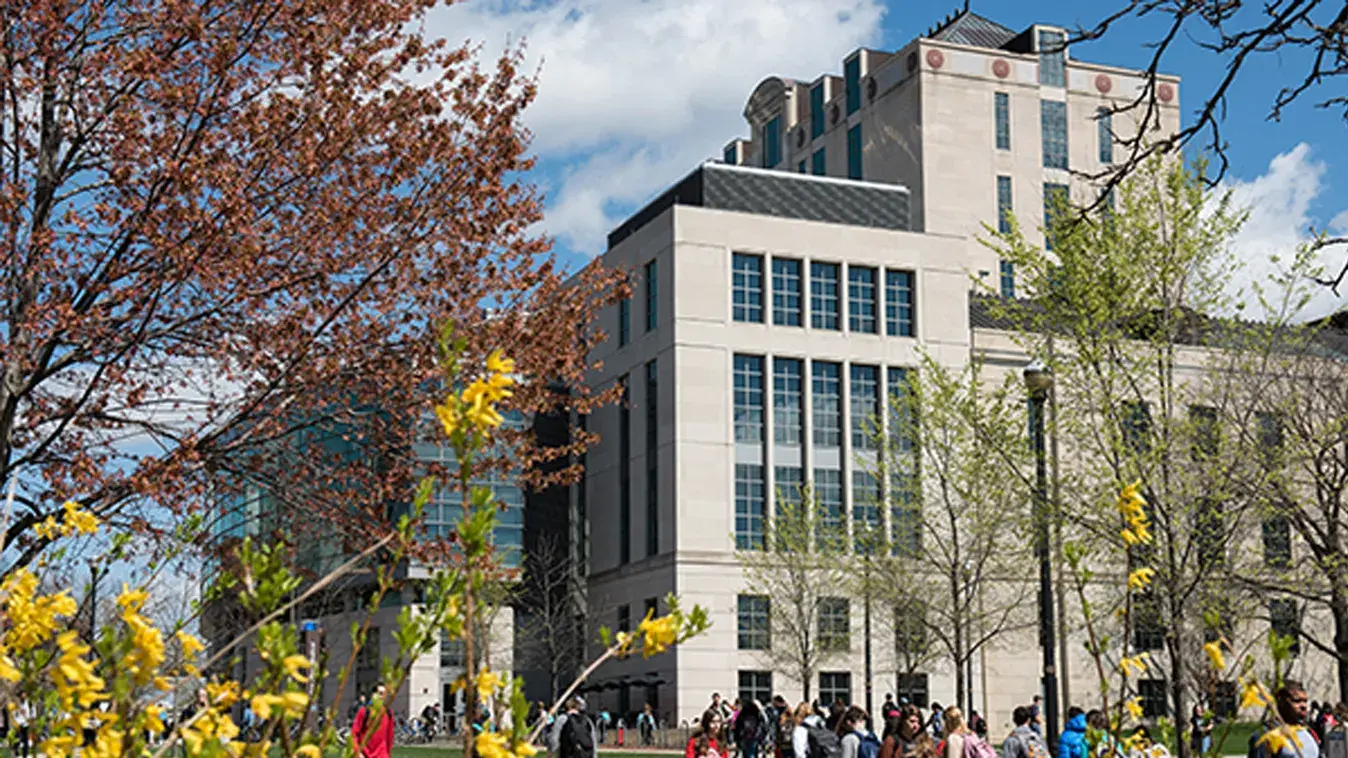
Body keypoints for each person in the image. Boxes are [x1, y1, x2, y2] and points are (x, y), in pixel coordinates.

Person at [1252, 681, 1320, 758]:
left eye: (1305, 701)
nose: (1304, 706)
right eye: (1297, 701)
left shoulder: (1307, 731)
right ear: (1281, 701)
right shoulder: (1267, 735)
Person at [352, 683, 395, 758]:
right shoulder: (364, 711)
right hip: (365, 755)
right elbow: (354, 734)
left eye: (385, 694)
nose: (382, 697)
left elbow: (389, 737)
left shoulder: (388, 713)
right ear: (373, 695)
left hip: (382, 755)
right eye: (380, 694)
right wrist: (357, 752)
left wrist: (388, 754)